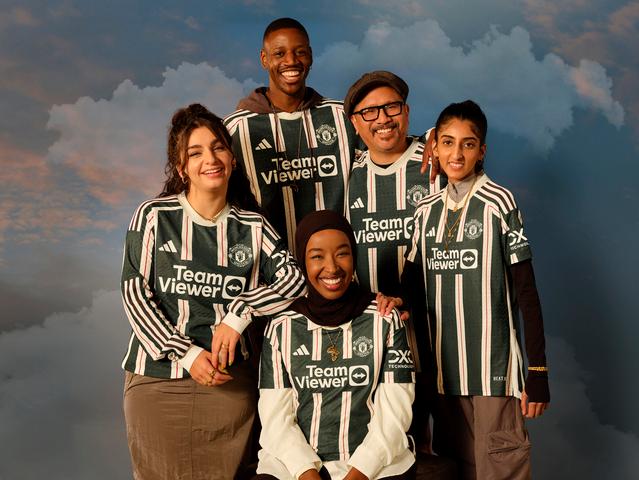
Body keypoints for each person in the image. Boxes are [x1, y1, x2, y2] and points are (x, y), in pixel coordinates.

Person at [120, 103, 306, 480]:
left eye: (218, 147)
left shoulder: (253, 227)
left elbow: (295, 280)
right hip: (158, 380)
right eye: (196, 152)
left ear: (232, 159)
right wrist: (186, 354)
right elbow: (134, 292)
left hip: (228, 385)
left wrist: (240, 314)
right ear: (181, 167)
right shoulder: (154, 216)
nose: (210, 158)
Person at [402, 100, 550, 479]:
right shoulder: (425, 210)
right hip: (443, 376)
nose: (457, 153)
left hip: (492, 373)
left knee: (499, 468)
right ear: (434, 148)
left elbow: (527, 293)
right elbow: (410, 290)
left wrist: (537, 370)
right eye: (447, 142)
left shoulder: (499, 202)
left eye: (468, 144)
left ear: (481, 151)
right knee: (456, 469)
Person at [224, 18, 434, 255]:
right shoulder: (235, 127)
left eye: (300, 52)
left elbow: (389, 143)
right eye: (279, 53)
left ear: (311, 56)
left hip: (336, 269)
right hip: (271, 270)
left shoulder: (340, 116)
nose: (291, 61)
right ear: (264, 59)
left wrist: (436, 136)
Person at [255, 210, 416, 480]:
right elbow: (276, 420)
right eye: (317, 256)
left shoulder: (384, 319)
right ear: (302, 261)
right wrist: (307, 473)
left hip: (376, 467)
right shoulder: (281, 327)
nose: (331, 268)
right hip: (294, 468)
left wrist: (359, 472)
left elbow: (394, 414)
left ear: (354, 256)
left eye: (342, 253)